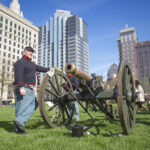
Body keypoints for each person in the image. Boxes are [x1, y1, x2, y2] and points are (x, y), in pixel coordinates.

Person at [13, 47, 50, 134]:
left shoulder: (31, 64)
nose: (31, 53)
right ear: (24, 52)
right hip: (23, 87)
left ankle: (19, 128)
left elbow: (39, 68)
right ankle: (19, 123)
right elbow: (18, 75)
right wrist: (21, 87)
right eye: (29, 51)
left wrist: (48, 69)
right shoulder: (20, 62)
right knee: (30, 105)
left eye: (32, 52)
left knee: (21, 108)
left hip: (27, 87)